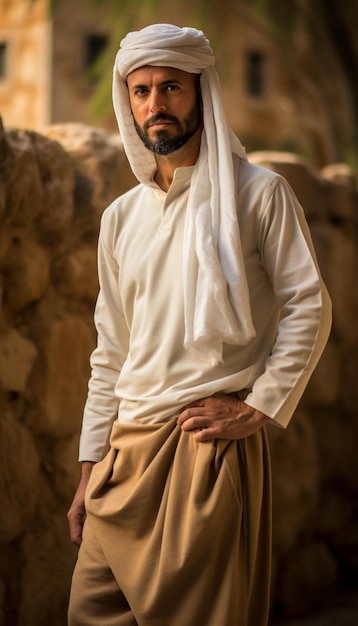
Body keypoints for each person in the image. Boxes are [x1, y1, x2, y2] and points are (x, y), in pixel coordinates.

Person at [67, 23, 332, 626]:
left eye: (170, 88)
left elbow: (308, 305)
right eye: (140, 91)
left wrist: (258, 406)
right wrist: (89, 467)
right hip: (121, 462)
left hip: (203, 452)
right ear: (126, 101)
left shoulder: (260, 194)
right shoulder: (120, 218)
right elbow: (110, 347)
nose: (155, 105)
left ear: (201, 92)